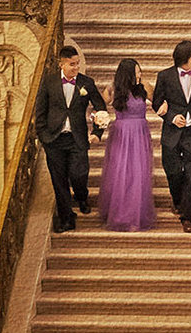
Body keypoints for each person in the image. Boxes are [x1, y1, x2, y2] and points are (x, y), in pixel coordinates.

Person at [32, 44, 107, 233]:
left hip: (77, 138)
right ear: (61, 64)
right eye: (72, 64)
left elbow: (100, 108)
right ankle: (66, 218)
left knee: (79, 174)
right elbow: (40, 111)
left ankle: (82, 196)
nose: (76, 68)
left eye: (77, 64)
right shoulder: (48, 82)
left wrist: (97, 132)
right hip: (54, 139)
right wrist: (43, 135)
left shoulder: (86, 83)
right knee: (59, 181)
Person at [150, 39, 191, 232]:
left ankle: (188, 217)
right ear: (184, 59)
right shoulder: (165, 76)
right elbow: (157, 103)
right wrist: (170, 116)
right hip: (172, 133)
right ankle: (177, 201)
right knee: (174, 172)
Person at [100, 58, 155, 232]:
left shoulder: (144, 87)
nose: (140, 74)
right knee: (120, 172)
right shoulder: (112, 89)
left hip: (140, 133)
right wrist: (99, 118)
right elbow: (98, 108)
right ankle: (119, 213)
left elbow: (159, 101)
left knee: (138, 173)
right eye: (137, 71)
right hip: (121, 134)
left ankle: (136, 213)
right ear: (128, 73)